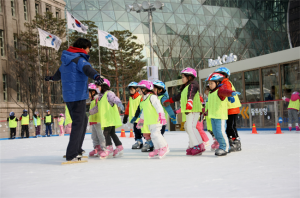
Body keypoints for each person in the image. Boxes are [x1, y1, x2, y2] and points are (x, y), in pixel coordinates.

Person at [45, 38, 104, 162]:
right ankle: (72, 153)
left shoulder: (66, 60)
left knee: (83, 119)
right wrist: (96, 76)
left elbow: (57, 75)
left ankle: (77, 149)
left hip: (69, 97)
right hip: (78, 96)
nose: (88, 51)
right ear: (84, 48)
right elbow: (87, 69)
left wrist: (50, 78)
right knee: (78, 123)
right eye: (88, 48)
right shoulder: (79, 59)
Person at [163, 67, 205, 156]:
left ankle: (198, 145)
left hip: (194, 109)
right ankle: (192, 145)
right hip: (188, 110)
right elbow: (179, 96)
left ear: (189, 77)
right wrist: (169, 101)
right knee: (187, 126)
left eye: (183, 77)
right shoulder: (185, 87)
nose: (182, 79)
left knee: (191, 127)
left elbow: (191, 94)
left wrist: (190, 102)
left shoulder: (193, 84)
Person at [205, 72, 239, 156]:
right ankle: (222, 146)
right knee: (216, 133)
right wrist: (207, 111)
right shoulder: (210, 93)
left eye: (211, 83)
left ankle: (225, 147)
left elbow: (225, 91)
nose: (209, 85)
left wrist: (231, 93)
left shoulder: (219, 91)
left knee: (221, 132)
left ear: (218, 83)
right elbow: (211, 104)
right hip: (213, 116)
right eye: (209, 83)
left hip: (220, 116)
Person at [89, 79, 124, 159]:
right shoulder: (101, 97)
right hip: (106, 119)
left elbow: (114, 98)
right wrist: (91, 112)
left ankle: (109, 149)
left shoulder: (109, 94)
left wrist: (119, 103)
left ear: (103, 86)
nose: (97, 88)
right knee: (112, 133)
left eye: (98, 86)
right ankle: (119, 147)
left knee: (106, 133)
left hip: (110, 118)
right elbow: (98, 107)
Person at [135, 80, 169, 159]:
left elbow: (158, 107)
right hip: (150, 121)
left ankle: (164, 147)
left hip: (156, 120)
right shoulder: (144, 99)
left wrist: (161, 115)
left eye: (140, 90)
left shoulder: (152, 97)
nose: (139, 92)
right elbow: (144, 111)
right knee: (153, 136)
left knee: (156, 134)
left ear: (144, 89)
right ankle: (157, 149)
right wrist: (141, 121)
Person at [214, 67, 242, 152]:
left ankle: (236, 141)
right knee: (227, 127)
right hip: (228, 108)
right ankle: (230, 140)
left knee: (231, 126)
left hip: (232, 107)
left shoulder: (225, 82)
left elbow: (228, 90)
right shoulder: (221, 83)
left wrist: (230, 96)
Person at [123, 82, 144, 149]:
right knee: (136, 131)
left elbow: (142, 108)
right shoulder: (130, 98)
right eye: (130, 90)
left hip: (140, 119)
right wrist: (126, 116)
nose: (131, 91)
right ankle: (139, 142)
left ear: (136, 89)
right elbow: (128, 108)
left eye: (132, 89)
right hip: (134, 119)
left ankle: (149, 142)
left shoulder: (140, 97)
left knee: (142, 131)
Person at [88, 83, 106, 157]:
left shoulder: (97, 99)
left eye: (88, 92)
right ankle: (97, 147)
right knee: (94, 136)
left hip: (98, 120)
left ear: (93, 92)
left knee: (100, 135)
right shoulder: (92, 100)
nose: (87, 94)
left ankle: (104, 148)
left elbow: (99, 109)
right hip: (93, 120)